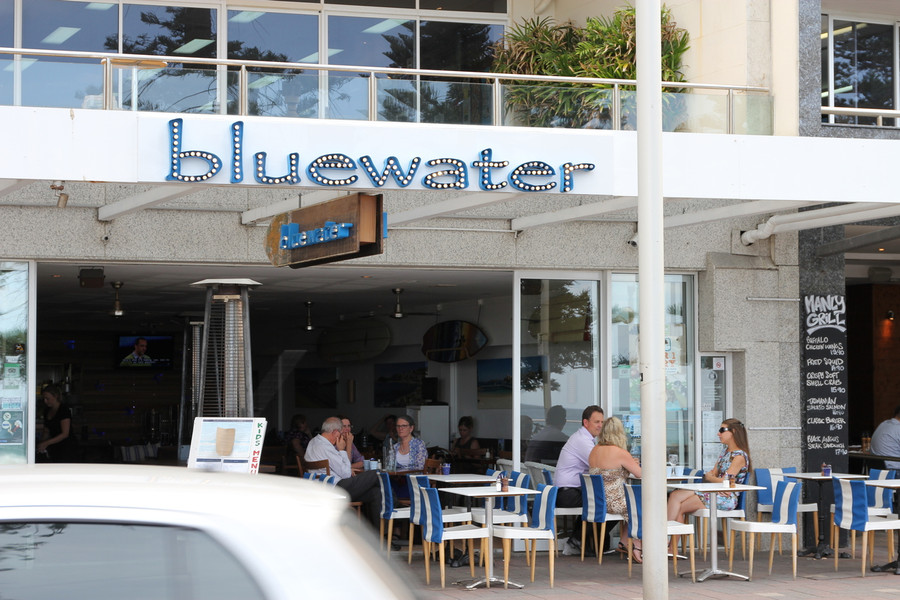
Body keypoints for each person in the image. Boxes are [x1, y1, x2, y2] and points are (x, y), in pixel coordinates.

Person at [667, 418, 751, 528]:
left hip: (726, 498)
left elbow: (724, 481)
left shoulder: (739, 456)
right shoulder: (725, 452)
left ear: (733, 432)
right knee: (674, 495)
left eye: (722, 430)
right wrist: (715, 478)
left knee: (680, 507)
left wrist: (714, 478)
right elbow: (711, 475)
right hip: (714, 491)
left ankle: (669, 538)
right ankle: (667, 535)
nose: (718, 434)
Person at [304, 417, 381, 527]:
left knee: (376, 492)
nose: (341, 435)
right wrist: (341, 450)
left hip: (323, 488)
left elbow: (340, 469)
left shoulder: (313, 442)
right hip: (335, 489)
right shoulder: (326, 447)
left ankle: (382, 533)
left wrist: (347, 468)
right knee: (376, 473)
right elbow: (346, 474)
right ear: (335, 432)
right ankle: (395, 505)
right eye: (340, 432)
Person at [588, 416, 642, 562]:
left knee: (633, 502)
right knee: (640, 505)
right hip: (615, 502)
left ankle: (624, 542)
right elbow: (640, 474)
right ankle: (637, 546)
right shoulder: (620, 452)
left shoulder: (594, 450)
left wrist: (629, 463)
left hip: (599, 501)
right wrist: (633, 463)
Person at [555, 405, 604, 554]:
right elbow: (600, 465)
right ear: (586, 422)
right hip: (567, 494)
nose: (600, 425)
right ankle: (578, 540)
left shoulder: (583, 438)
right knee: (605, 502)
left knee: (602, 500)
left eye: (602, 422)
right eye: (596, 422)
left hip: (568, 491)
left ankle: (581, 540)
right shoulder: (582, 440)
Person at [37, 384, 79, 462]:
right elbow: (46, 431)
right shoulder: (47, 411)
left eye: (47, 398)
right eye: (44, 399)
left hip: (67, 447)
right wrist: (42, 443)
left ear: (55, 396)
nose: (45, 401)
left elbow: (65, 434)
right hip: (54, 447)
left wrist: (46, 443)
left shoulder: (64, 410)